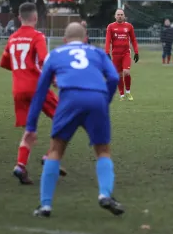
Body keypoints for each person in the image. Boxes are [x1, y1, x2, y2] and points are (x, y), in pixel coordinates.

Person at [23, 22, 124, 217]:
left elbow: (41, 91)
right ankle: (105, 194)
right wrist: (105, 100)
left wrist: (31, 126)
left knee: (55, 150)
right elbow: (113, 78)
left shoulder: (55, 54)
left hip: (69, 98)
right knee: (103, 150)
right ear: (86, 38)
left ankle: (45, 205)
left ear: (64, 39)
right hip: (97, 98)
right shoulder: (97, 53)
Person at [0, 2, 66, 184]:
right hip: (38, 87)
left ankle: (20, 166)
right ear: (35, 18)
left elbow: (5, 62)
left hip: (18, 90)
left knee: (30, 131)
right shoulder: (38, 36)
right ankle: (49, 157)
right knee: (65, 117)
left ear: (20, 18)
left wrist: (21, 72)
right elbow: (45, 60)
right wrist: (53, 79)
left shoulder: (12, 38)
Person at [105, 9, 139, 100]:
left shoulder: (129, 26)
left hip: (126, 53)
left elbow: (133, 40)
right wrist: (107, 52)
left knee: (126, 72)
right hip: (115, 54)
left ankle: (128, 92)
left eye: (121, 14)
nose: (120, 16)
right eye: (118, 14)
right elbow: (108, 40)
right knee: (119, 75)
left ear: (124, 16)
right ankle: (122, 95)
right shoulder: (111, 27)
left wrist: (136, 52)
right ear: (115, 16)